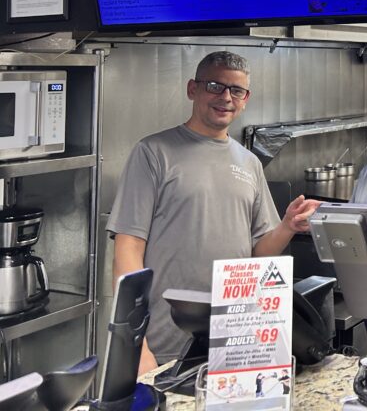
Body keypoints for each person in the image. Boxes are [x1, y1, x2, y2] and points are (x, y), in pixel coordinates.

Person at [107, 51, 320, 375]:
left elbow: (257, 253)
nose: (225, 97)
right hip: (164, 345)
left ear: (245, 98)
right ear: (193, 88)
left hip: (233, 339)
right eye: (214, 86)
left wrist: (287, 226)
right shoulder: (153, 153)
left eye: (236, 90)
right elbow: (127, 250)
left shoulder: (248, 162)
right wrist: (135, 343)